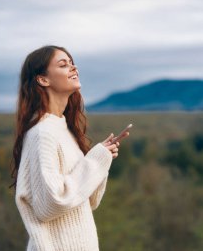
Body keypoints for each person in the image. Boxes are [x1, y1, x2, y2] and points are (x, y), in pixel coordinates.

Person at [10, 45, 129, 251]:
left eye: (72, 63)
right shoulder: (43, 133)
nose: (74, 68)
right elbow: (51, 204)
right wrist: (94, 162)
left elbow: (88, 201)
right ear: (43, 79)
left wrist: (103, 159)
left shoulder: (62, 128)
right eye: (63, 65)